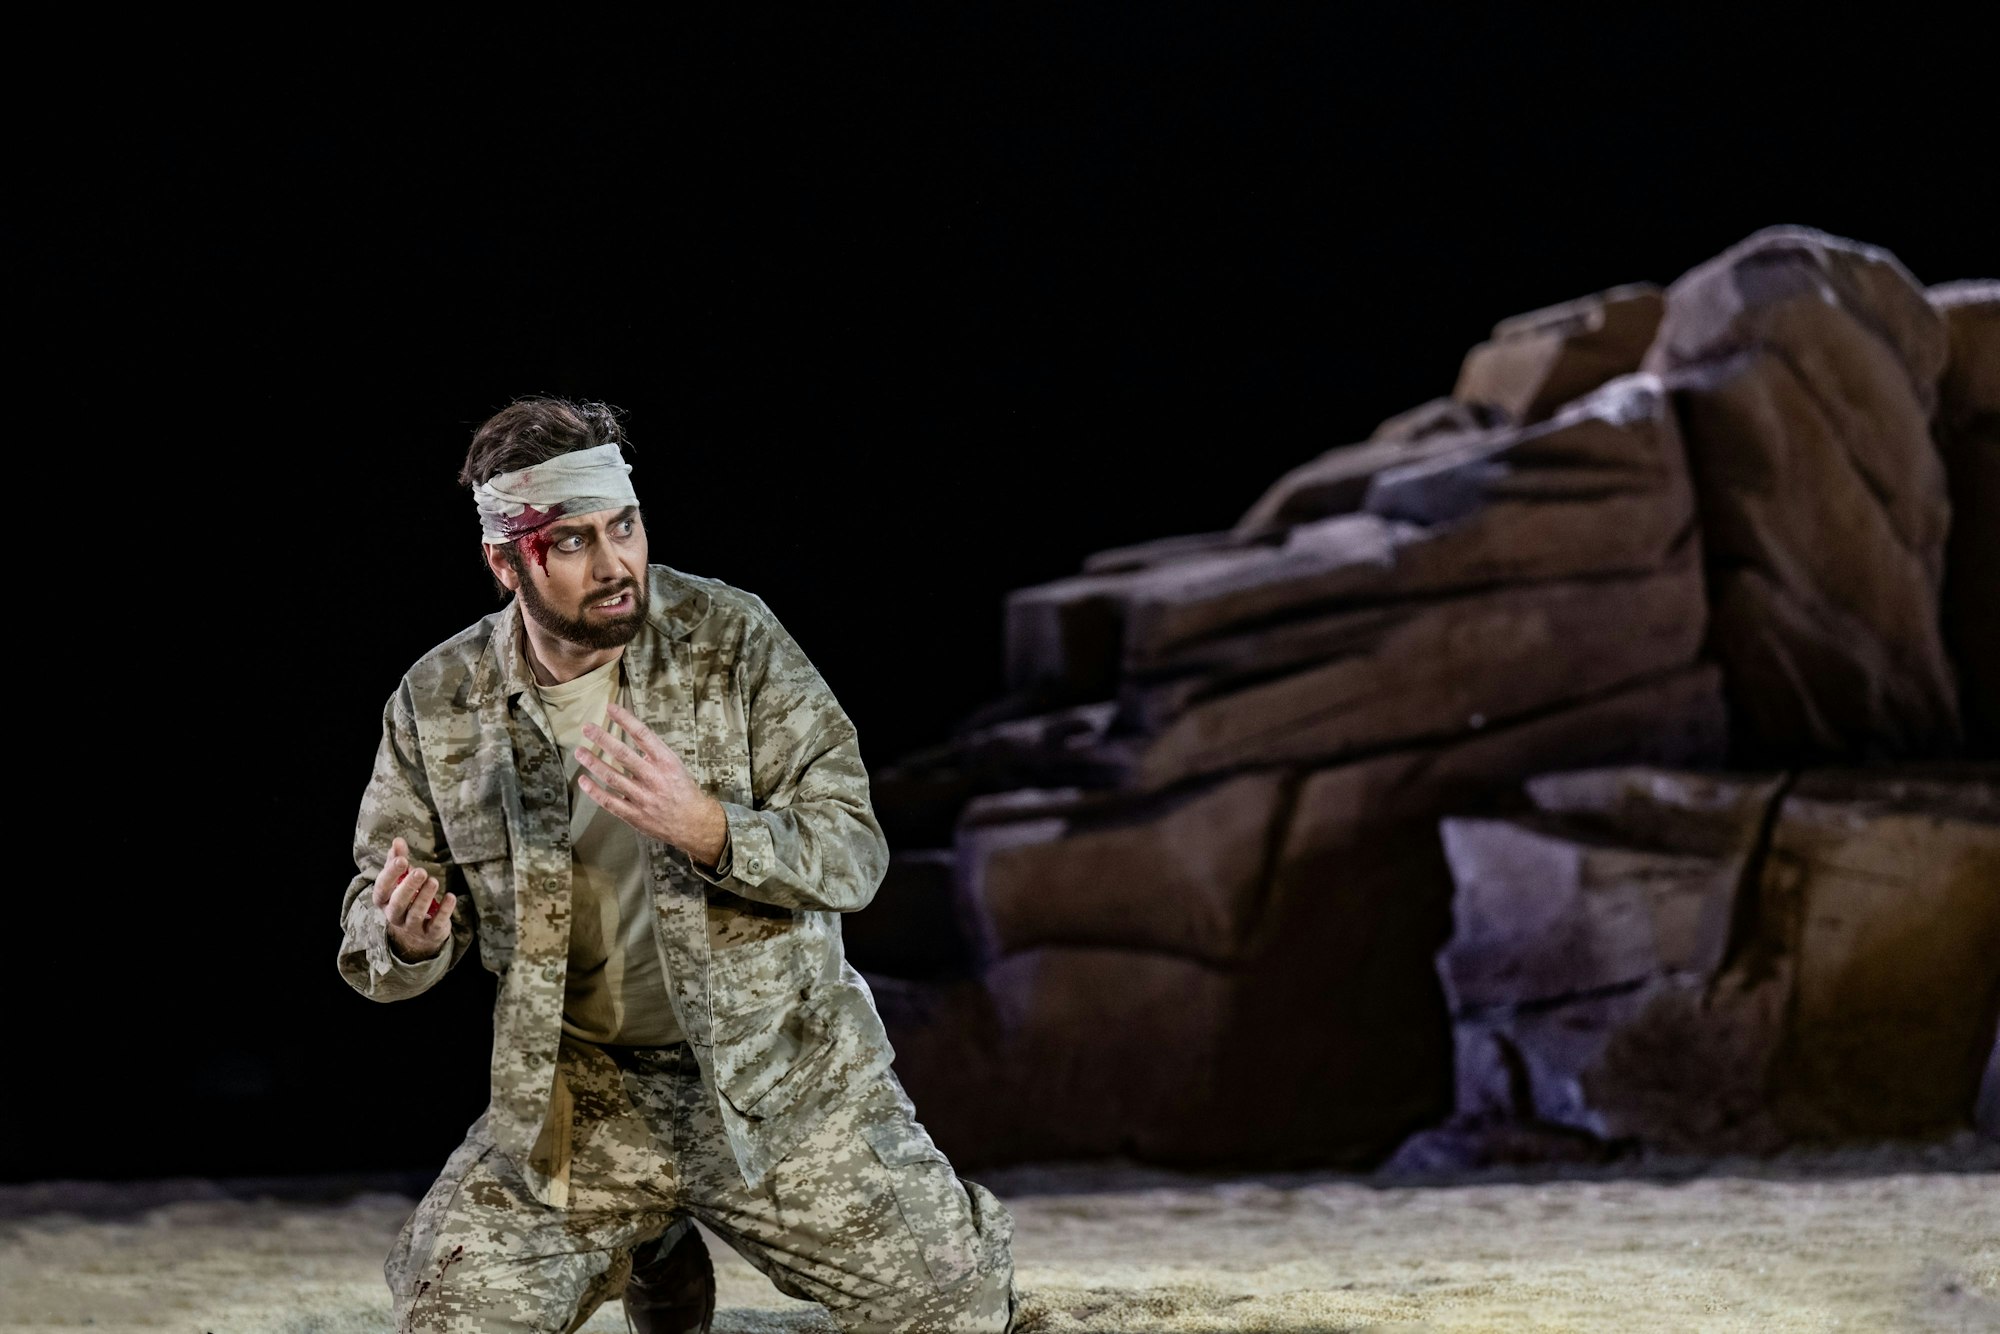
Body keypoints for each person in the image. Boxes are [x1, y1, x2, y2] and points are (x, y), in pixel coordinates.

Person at [337, 397, 1020, 1333]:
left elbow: (855, 852)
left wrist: (710, 828)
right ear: (506, 563)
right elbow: (373, 910)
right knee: (446, 1314)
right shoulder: (438, 700)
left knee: (950, 1308)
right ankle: (649, 1237)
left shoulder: (733, 641)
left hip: (781, 1079)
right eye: (571, 543)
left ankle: (680, 1225)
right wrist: (406, 936)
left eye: (625, 525)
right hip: (583, 1099)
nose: (616, 564)